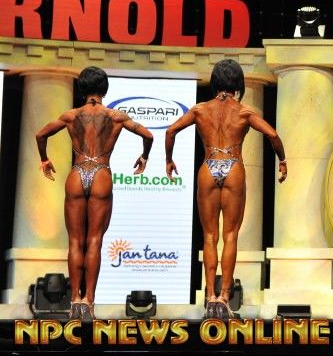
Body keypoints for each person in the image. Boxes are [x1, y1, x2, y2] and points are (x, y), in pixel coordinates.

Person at [165, 59, 288, 319]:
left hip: (209, 166)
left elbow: (171, 130)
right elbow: (273, 135)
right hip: (232, 167)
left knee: (210, 236)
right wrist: (283, 160)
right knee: (230, 235)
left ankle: (210, 297)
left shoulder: (200, 109)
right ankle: (224, 298)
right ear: (238, 84)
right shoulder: (244, 111)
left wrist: (169, 160)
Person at [35, 66, 153, 321]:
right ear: (104, 89)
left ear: (82, 89)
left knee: (75, 241)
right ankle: (88, 301)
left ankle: (74, 301)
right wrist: (144, 157)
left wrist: (44, 159)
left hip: (78, 173)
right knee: (95, 240)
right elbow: (148, 134)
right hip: (101, 173)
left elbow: (40, 134)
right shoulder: (115, 116)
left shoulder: (71, 115)